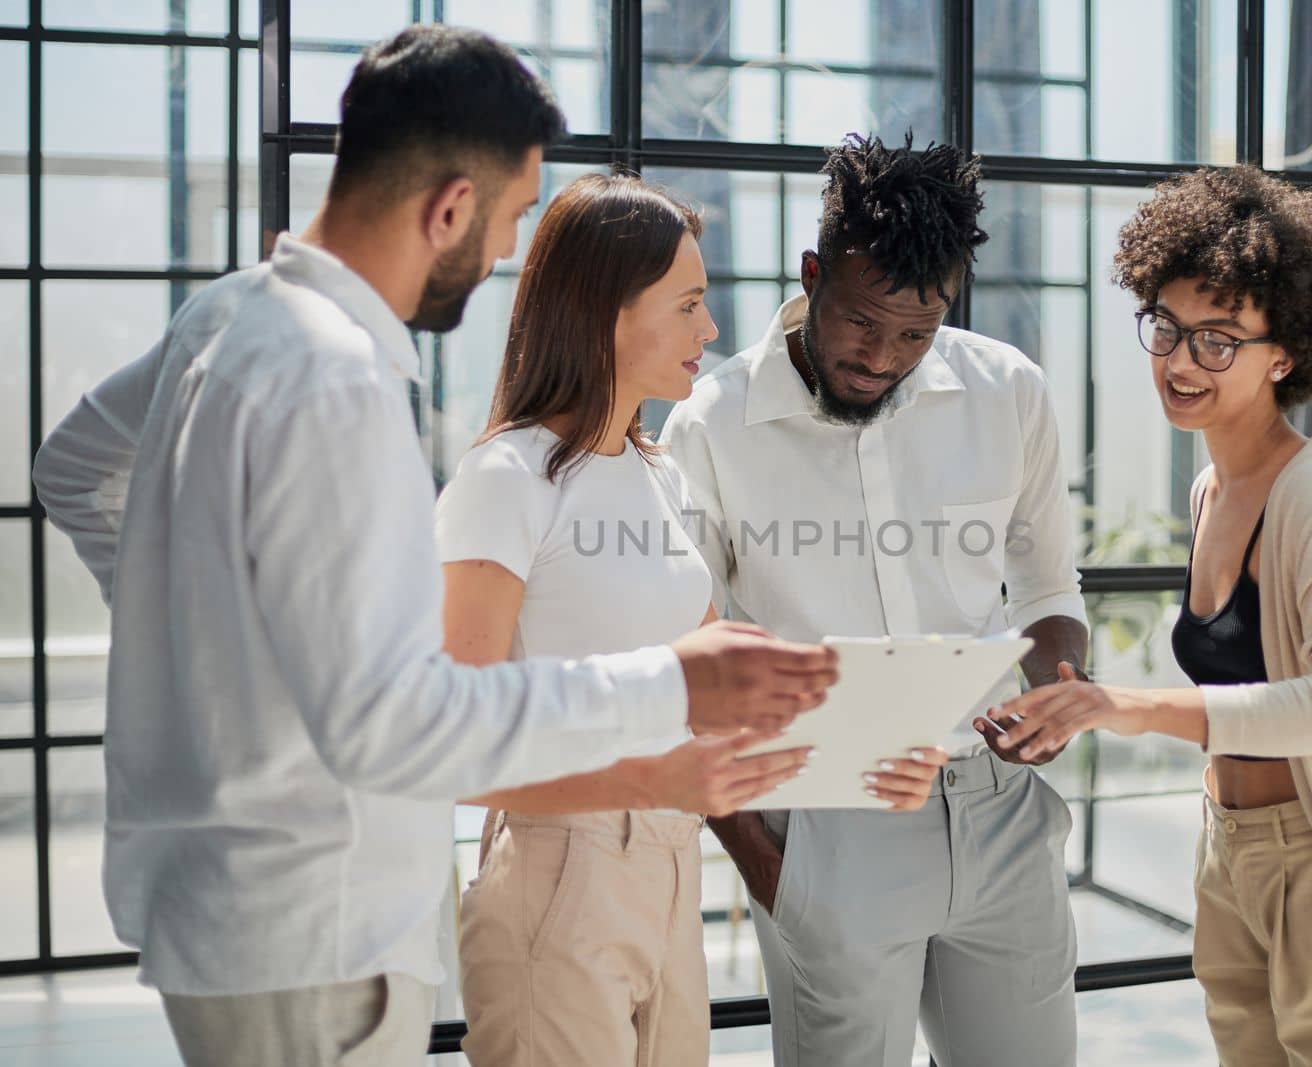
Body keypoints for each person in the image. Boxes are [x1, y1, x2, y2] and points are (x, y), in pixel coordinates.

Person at [31, 28, 837, 1067]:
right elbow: (399, 724)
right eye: (505, 219)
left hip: (239, 913)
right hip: (313, 920)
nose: (506, 252)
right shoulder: (338, 376)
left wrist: (198, 632)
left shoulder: (224, 317)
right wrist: (666, 685)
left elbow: (69, 467)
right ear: (449, 205)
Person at [989, 166, 1312, 1066]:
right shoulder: (1210, 487)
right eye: (1169, 329)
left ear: (1286, 352)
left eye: (1219, 340)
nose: (1181, 362)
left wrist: (1131, 705)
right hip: (1231, 855)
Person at [439, 173, 946, 1067]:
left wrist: (871, 751)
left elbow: (726, 692)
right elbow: (459, 746)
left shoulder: (657, 472)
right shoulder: (506, 483)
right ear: (605, 311)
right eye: (687, 305)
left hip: (670, 870)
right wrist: (658, 782)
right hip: (560, 872)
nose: (710, 331)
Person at [660, 134, 1090, 1067]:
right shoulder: (714, 426)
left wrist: (1059, 687)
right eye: (862, 320)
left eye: (916, 332)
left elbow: (1052, 589)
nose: (882, 356)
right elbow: (686, 671)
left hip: (998, 808)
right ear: (813, 273)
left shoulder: (1008, 391)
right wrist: (771, 869)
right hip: (822, 818)